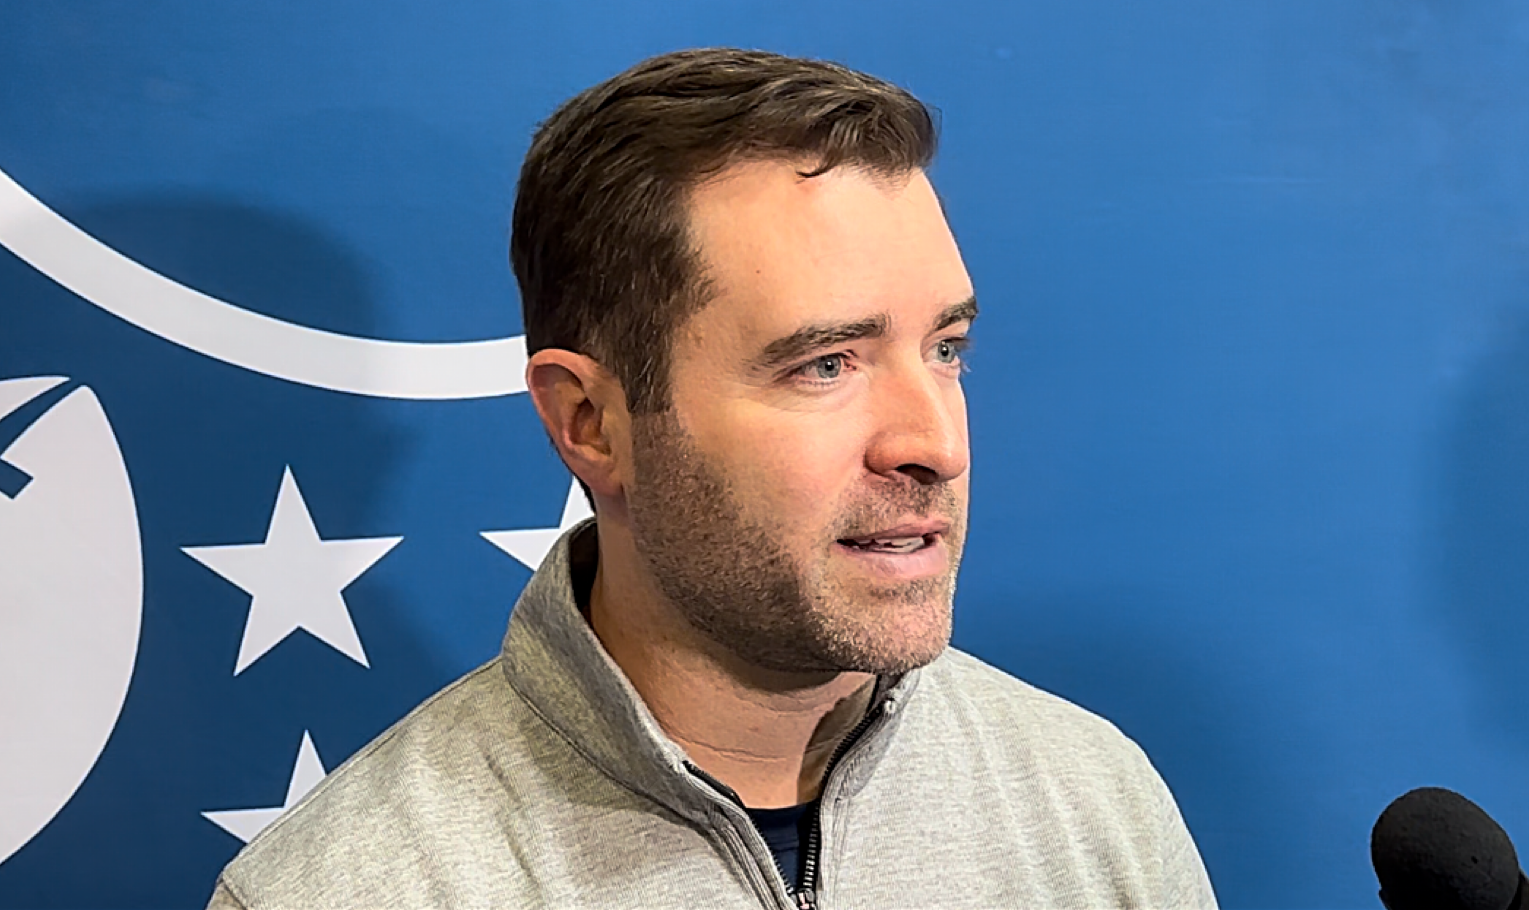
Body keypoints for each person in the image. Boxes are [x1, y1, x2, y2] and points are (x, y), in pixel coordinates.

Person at [205, 47, 1218, 909]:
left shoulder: (1091, 800)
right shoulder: (342, 888)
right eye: (825, 364)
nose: (933, 444)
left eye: (944, 349)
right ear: (590, 423)